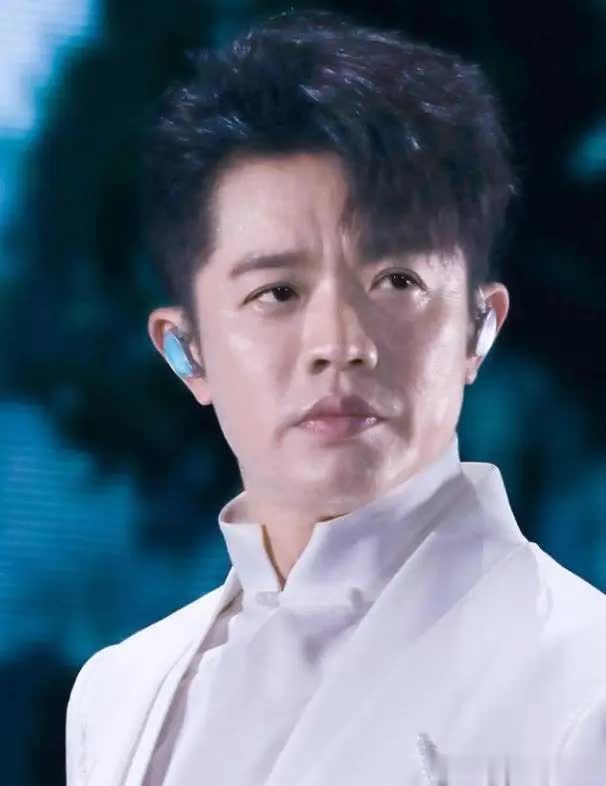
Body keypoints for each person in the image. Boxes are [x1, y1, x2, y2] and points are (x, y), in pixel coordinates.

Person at [65, 9, 606, 786]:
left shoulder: (583, 685)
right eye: (277, 292)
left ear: (478, 328)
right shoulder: (118, 693)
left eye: (398, 281)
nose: (341, 342)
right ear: (187, 351)